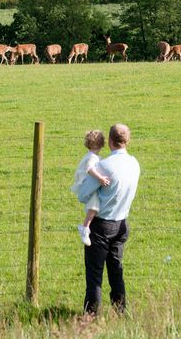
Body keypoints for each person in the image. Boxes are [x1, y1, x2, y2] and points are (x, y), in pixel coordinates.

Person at [76, 123, 140, 315]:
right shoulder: (135, 164)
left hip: (101, 225)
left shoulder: (104, 166)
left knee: (95, 275)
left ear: (110, 141)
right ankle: (120, 311)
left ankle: (90, 316)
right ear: (127, 141)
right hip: (122, 224)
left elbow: (82, 194)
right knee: (116, 271)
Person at [70, 130, 111, 246]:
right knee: (94, 207)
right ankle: (85, 228)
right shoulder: (93, 157)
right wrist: (101, 178)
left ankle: (87, 226)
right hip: (86, 183)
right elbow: (89, 169)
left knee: (95, 206)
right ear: (102, 144)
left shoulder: (91, 156)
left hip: (85, 183)